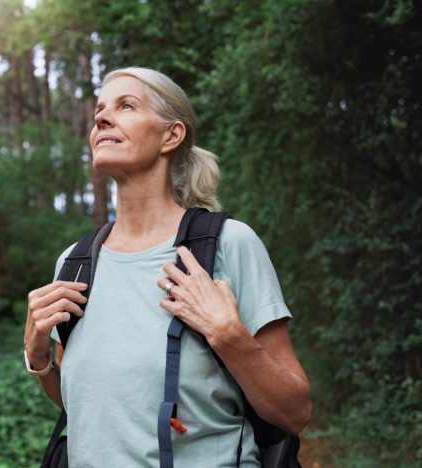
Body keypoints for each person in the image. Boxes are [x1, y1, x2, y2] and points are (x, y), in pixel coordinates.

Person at [24, 67, 312, 467]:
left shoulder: (227, 244)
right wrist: (38, 359)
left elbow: (295, 413)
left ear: (171, 135)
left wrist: (229, 336)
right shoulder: (75, 263)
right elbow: (95, 408)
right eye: (99, 112)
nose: (101, 118)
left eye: (126, 106)